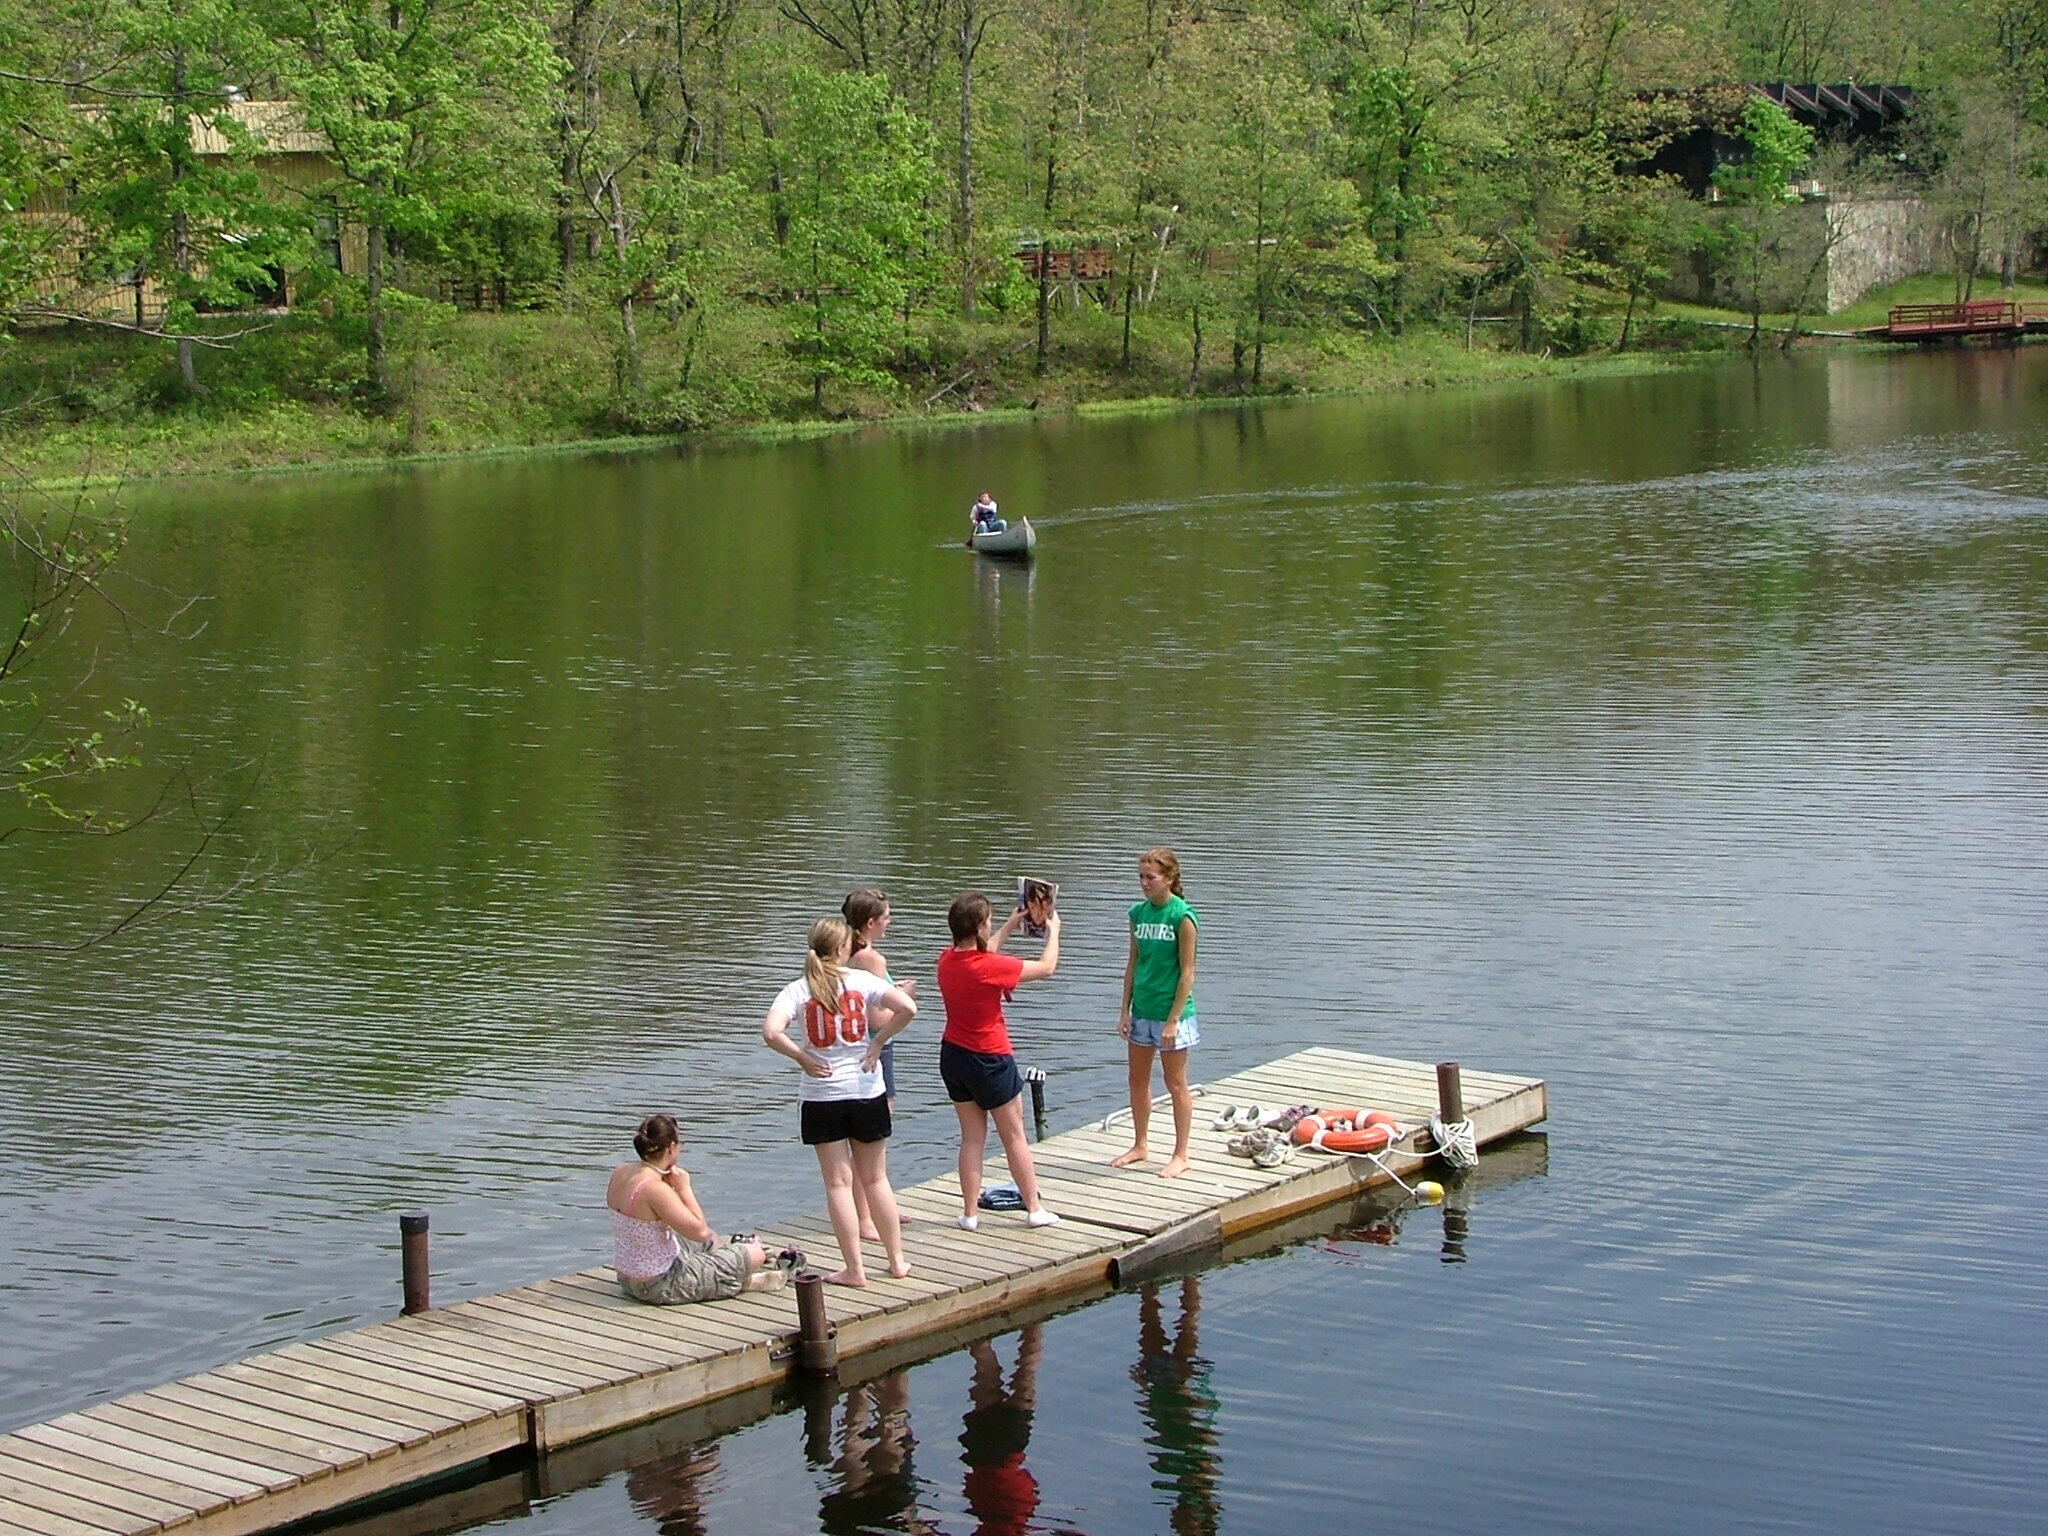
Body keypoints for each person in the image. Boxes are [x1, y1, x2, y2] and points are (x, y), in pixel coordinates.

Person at [764, 916, 919, 1286]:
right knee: (876, 1178)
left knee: (838, 1185)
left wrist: (801, 1056)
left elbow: (771, 1031)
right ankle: (897, 1261)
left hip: (822, 1096)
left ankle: (855, 1270)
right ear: (840, 949)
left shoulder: (798, 990)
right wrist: (878, 1042)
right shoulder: (863, 982)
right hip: (866, 1091)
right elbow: (908, 1009)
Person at [936, 890, 1060, 1229]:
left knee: (972, 1137)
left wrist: (1009, 924)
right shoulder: (989, 967)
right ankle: (1034, 1208)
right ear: (978, 927)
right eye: (988, 922)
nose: (991, 927)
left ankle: (970, 1214)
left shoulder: (946, 960)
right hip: (990, 1057)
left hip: (954, 1055)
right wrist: (1055, 930)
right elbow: (1047, 968)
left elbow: (983, 952)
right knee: (1014, 1135)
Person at [606, 1113, 781, 1304]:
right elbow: (700, 1231)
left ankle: (726, 1273)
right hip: (660, 1285)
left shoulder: (621, 1172)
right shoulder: (654, 1189)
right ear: (671, 1147)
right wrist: (683, 1188)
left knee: (713, 1241)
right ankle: (739, 1280)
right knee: (756, 1253)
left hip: (627, 1278)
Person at [1110, 846, 1200, 1178]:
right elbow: (1133, 963)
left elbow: (1188, 971)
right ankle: (1140, 1144)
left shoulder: (1182, 916)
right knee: (1137, 1079)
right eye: (1141, 877)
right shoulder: (1138, 913)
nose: (1144, 884)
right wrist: (1124, 1010)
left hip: (1171, 1010)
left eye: (1150, 878)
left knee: (1175, 1082)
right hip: (1142, 1008)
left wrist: (1174, 1019)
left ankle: (1181, 1153)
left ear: (1169, 878)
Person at [843, 888, 915, 1242]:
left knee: (871, 1138)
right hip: (876, 1048)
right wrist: (904, 997)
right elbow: (875, 1018)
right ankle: (867, 1217)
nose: (890, 922)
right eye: (886, 917)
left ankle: (877, 1207)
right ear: (870, 923)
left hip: (855, 1050)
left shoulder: (845, 953)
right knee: (873, 1137)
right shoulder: (871, 959)